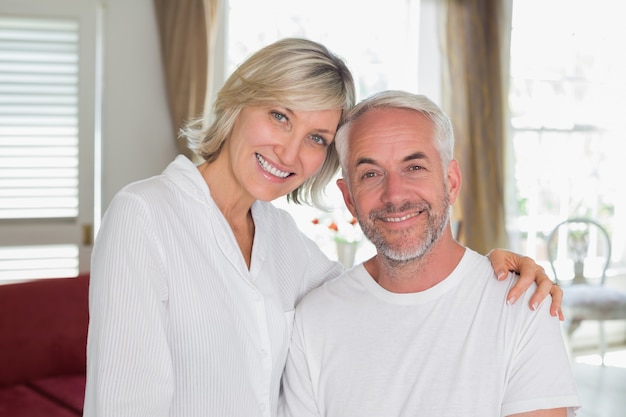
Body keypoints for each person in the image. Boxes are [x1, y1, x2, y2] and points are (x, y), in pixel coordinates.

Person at [83, 39, 563, 417]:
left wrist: (490, 265)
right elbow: (123, 402)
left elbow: (391, 279)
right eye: (279, 116)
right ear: (238, 103)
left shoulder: (280, 239)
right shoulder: (144, 216)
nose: (291, 154)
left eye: (315, 138)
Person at [281, 91, 580, 417]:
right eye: (370, 174)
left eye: (414, 167)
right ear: (349, 197)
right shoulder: (313, 320)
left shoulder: (524, 306)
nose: (394, 194)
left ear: (451, 182)